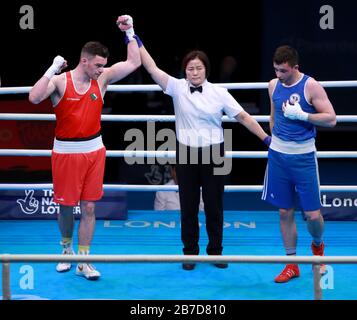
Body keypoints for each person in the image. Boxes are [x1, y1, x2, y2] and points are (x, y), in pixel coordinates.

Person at [135, 36, 271, 270]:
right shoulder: (177, 87)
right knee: (187, 206)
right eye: (190, 68)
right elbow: (151, 67)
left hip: (214, 152)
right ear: (185, 71)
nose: (195, 72)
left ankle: (215, 251)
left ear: (206, 69)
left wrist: (266, 138)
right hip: (185, 152)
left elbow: (243, 117)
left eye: (198, 68)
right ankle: (190, 253)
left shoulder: (220, 92)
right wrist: (134, 38)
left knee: (214, 205)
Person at [28, 15, 141, 280]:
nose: (102, 69)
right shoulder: (60, 82)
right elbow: (34, 97)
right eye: (98, 65)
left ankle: (84, 260)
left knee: (89, 207)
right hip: (66, 153)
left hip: (94, 151)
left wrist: (130, 31)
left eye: (104, 65)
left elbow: (134, 62)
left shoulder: (101, 80)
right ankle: (66, 249)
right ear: (85, 60)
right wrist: (52, 69)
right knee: (67, 207)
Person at [261, 45, 336, 283]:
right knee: (284, 211)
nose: (279, 75)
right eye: (276, 70)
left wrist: (303, 115)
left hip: (303, 158)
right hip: (278, 156)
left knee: (313, 216)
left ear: (295, 67)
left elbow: (331, 119)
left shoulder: (310, 85)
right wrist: (276, 142)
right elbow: (273, 117)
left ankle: (318, 250)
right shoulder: (273, 85)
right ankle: (291, 264)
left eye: (283, 71)